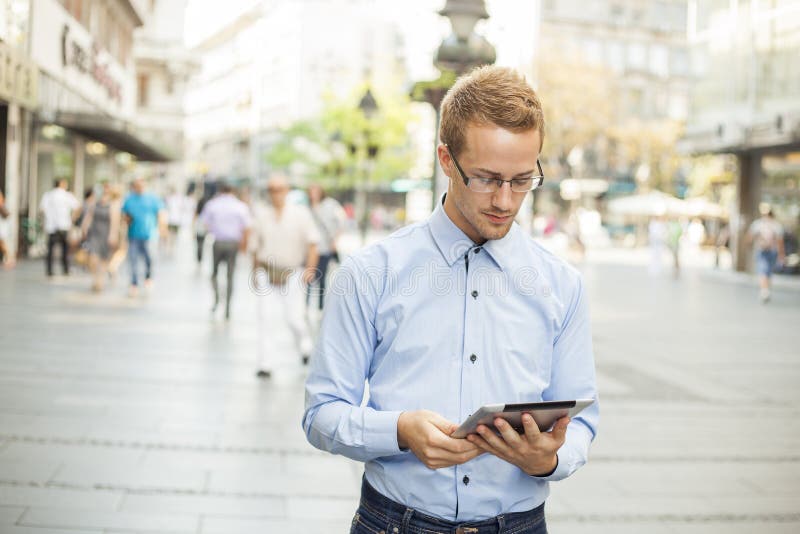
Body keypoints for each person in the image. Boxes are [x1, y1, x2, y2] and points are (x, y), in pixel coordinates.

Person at [303, 66, 598, 533]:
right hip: (394, 522)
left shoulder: (562, 284)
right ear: (446, 158)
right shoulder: (369, 272)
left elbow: (582, 421)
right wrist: (398, 430)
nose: (505, 200)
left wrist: (548, 459)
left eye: (522, 180)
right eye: (486, 178)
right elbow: (321, 415)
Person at [250, 175, 319, 378]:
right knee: (266, 318)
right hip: (267, 273)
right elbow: (255, 246)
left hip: (292, 274)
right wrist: (254, 272)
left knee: (294, 319)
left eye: (279, 189)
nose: (275, 193)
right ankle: (266, 363)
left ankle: (305, 346)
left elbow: (313, 243)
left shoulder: (300, 214)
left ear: (287, 190)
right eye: (271, 189)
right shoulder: (261, 215)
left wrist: (310, 269)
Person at [200, 183, 251, 319]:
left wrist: (214, 230)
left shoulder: (213, 204)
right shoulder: (240, 206)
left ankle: (217, 299)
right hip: (233, 244)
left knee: (214, 274)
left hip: (218, 242)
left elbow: (204, 222)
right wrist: (244, 247)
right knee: (230, 276)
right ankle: (228, 306)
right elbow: (246, 228)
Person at [122, 179, 166, 296]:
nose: (139, 188)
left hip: (150, 235)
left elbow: (160, 213)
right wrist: (126, 221)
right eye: (136, 186)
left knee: (150, 259)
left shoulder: (153, 199)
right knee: (133, 260)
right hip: (133, 235)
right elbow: (125, 215)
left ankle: (148, 278)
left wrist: (162, 229)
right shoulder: (129, 199)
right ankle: (134, 283)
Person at [307, 183, 345, 310]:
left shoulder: (330, 204)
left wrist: (335, 241)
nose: (313, 194)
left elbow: (342, 221)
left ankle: (320, 306)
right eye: (311, 191)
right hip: (310, 248)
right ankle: (306, 305)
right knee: (308, 275)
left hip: (325, 247)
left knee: (321, 277)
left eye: (316, 191)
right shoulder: (307, 206)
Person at [81, 183, 122, 292]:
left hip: (106, 234)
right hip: (94, 234)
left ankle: (100, 280)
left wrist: (113, 235)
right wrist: (84, 228)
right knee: (93, 258)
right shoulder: (95, 204)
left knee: (104, 259)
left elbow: (115, 222)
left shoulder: (113, 205)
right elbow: (88, 217)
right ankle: (95, 278)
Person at [39, 179, 80, 277]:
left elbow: (41, 209)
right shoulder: (67, 195)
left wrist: (48, 219)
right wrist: (72, 219)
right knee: (65, 249)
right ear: (62, 184)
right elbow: (78, 207)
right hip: (64, 225)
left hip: (51, 226)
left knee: (50, 249)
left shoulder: (48, 195)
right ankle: (65, 269)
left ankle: (49, 271)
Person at [747, 206, 785, 303]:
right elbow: (780, 242)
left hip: (761, 250)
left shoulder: (758, 223)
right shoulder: (776, 225)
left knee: (763, 271)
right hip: (772, 251)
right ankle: (765, 290)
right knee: (767, 271)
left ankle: (764, 290)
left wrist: (750, 245)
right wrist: (781, 255)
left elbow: (750, 237)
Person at [0, 190, 13, 269]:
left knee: (2, 243)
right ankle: (9, 259)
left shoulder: (2, 205)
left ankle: (9, 259)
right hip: (2, 225)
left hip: (2, 225)